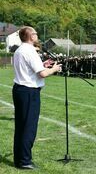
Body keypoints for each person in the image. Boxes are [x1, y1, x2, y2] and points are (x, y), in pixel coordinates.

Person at [12, 26, 61, 169]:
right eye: (35, 33)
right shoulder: (30, 51)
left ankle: (19, 159)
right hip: (29, 91)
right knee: (29, 127)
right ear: (30, 36)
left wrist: (43, 65)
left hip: (20, 89)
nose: (37, 35)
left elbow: (31, 69)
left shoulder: (20, 50)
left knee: (21, 126)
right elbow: (42, 74)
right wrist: (53, 69)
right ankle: (25, 161)